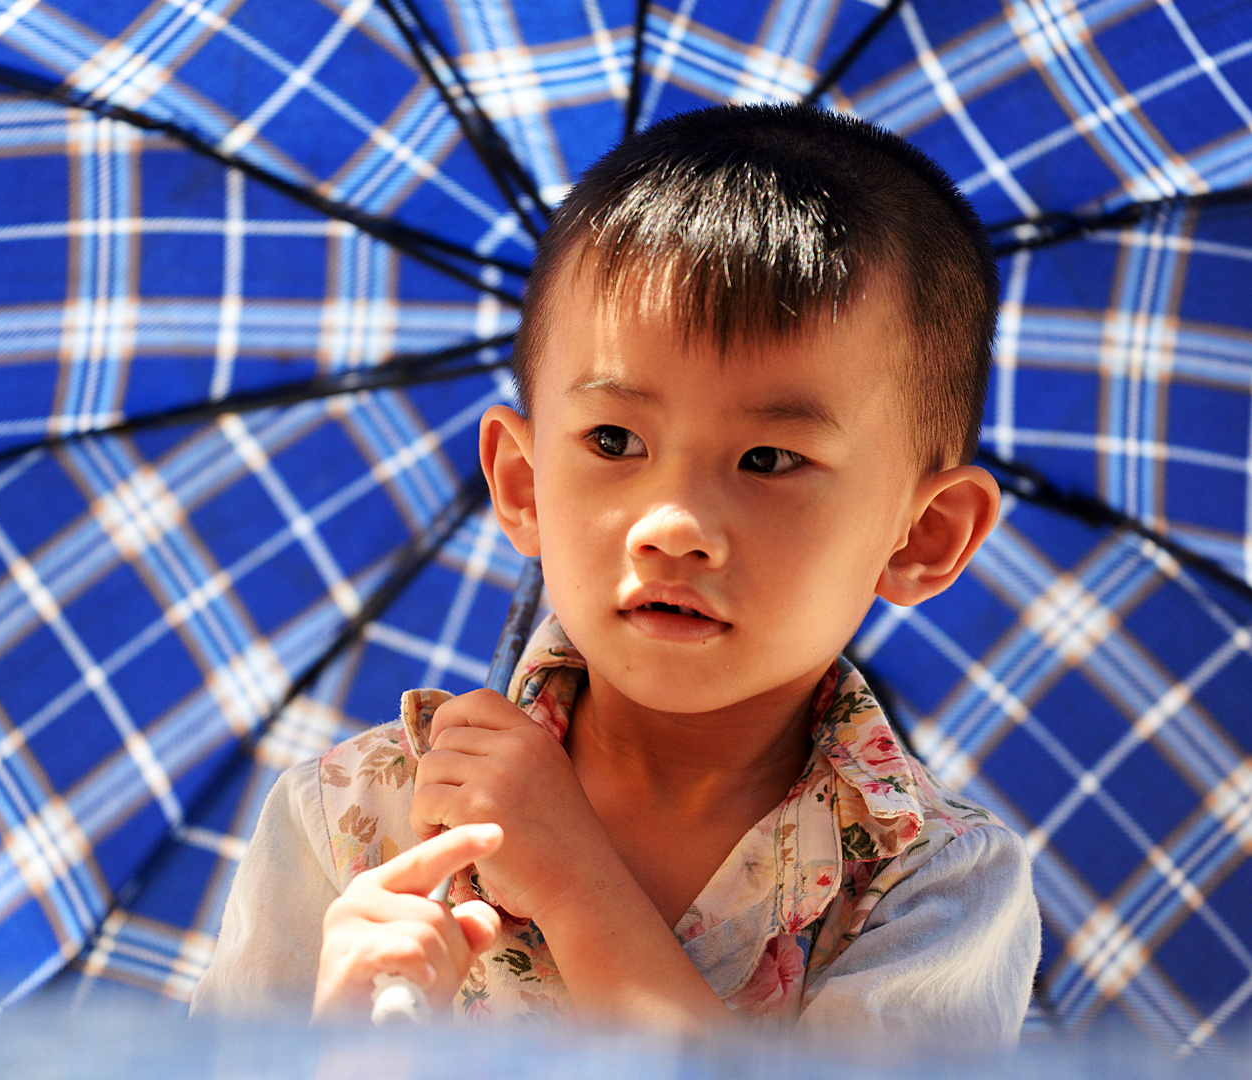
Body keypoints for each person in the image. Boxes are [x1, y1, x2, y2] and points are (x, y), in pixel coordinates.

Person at [191, 103, 1041, 1042]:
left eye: (767, 459)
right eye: (612, 439)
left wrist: (575, 880)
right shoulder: (359, 818)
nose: (671, 526)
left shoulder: (932, 887)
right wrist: (343, 1043)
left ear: (923, 535)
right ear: (521, 482)